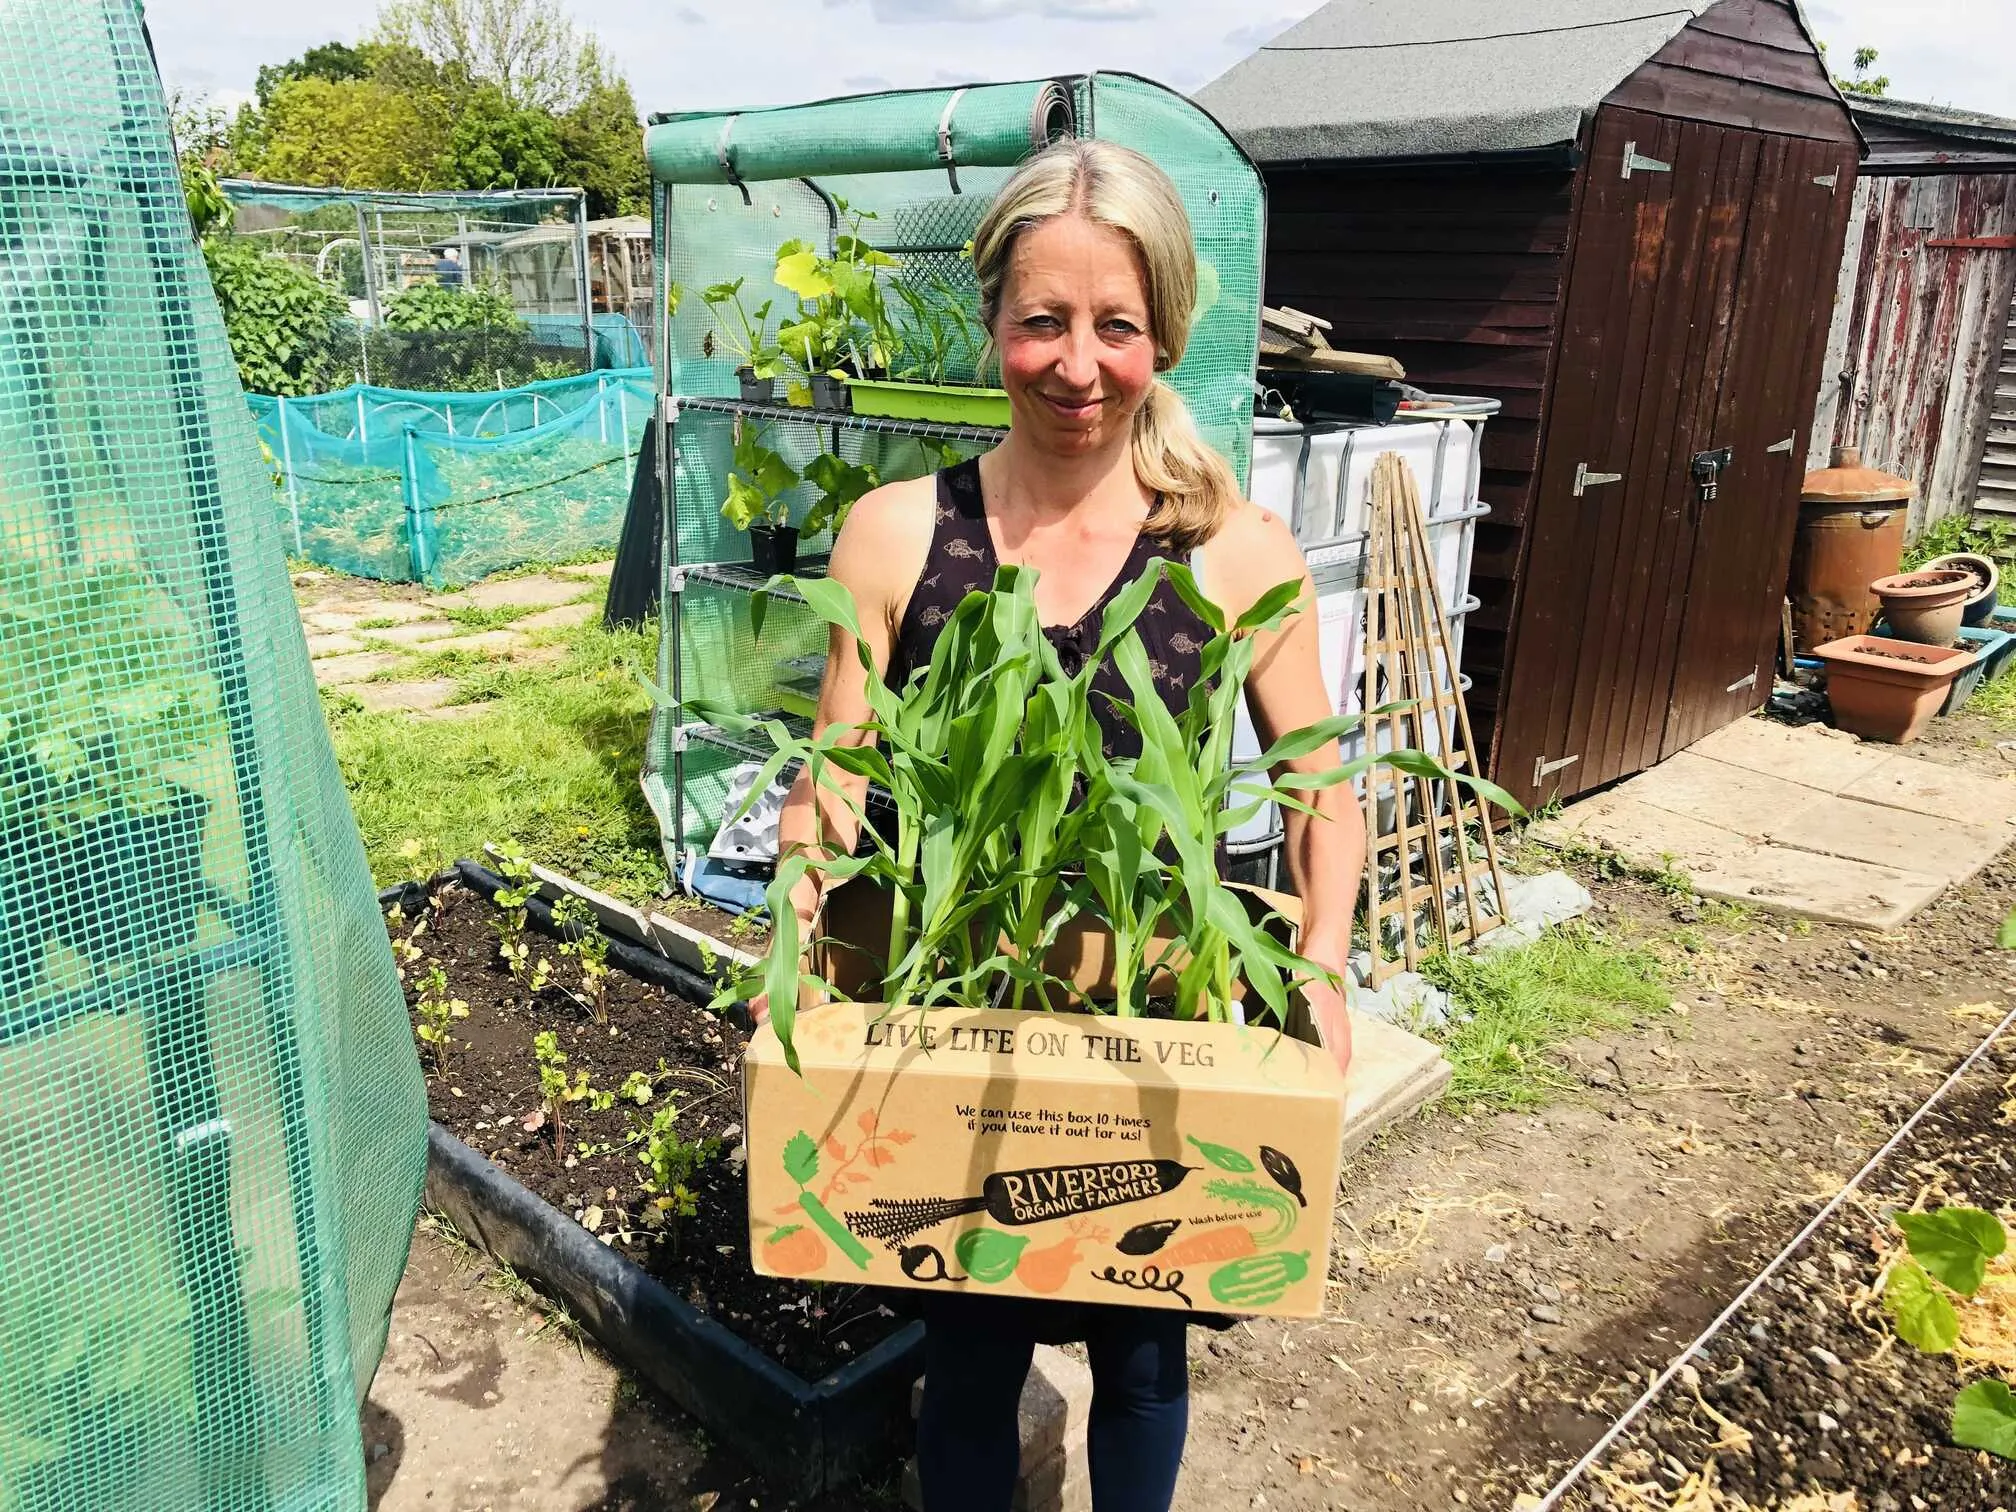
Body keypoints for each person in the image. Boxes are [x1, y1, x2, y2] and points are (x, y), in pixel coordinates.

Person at [766, 138, 1366, 1512]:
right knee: (968, 1355)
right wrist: (793, 957)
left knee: (1143, 1354)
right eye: (1043, 322)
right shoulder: (901, 533)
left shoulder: (1229, 548)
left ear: (1164, 334)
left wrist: (1324, 973)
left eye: (1117, 326)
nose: (1078, 365)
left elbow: (1320, 790)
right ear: (992, 325)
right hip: (959, 1020)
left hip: (1154, 1022)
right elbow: (834, 783)